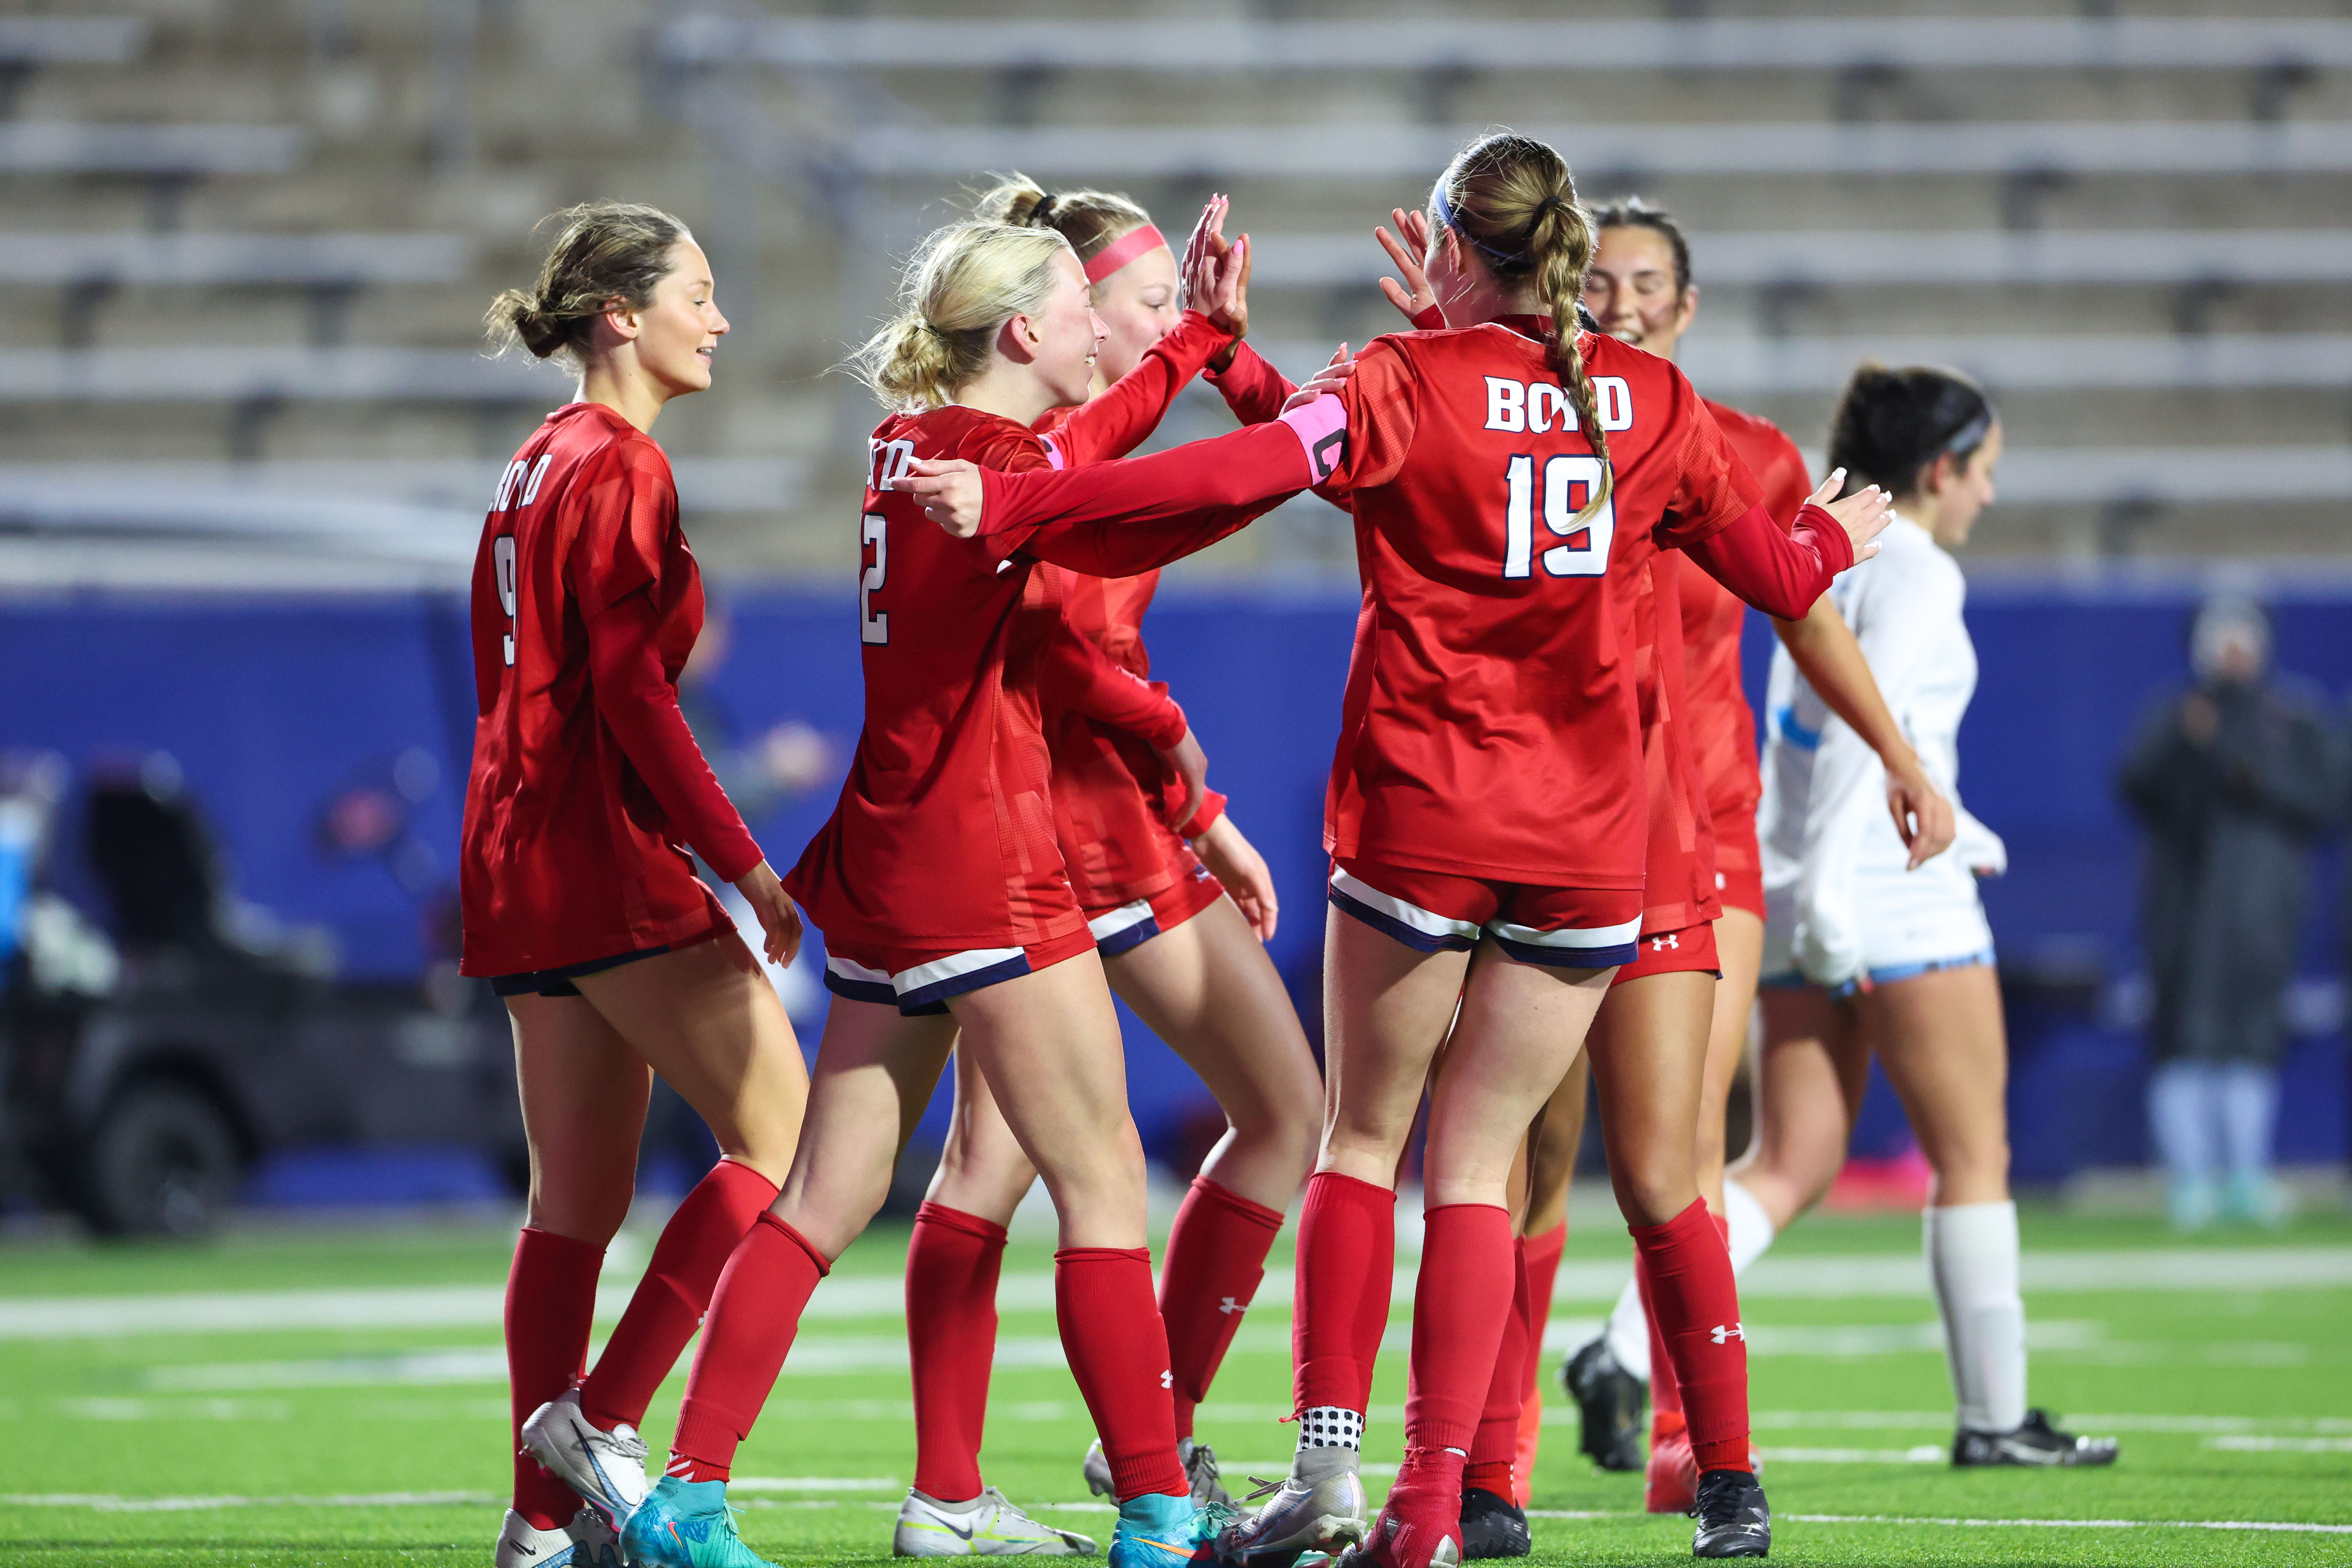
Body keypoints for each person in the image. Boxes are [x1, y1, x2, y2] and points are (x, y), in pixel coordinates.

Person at [898, 130, 1898, 1563]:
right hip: (1591, 847)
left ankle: (1330, 1473)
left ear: (1452, 250)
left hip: (1426, 822)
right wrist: (1843, 537)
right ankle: (1435, 1507)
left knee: (1364, 1146)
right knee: (1483, 1169)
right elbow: (1786, 574)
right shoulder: (1657, 400)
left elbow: (1228, 479)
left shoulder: (1400, 379)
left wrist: (1020, 501)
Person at [594, 214, 1341, 1568]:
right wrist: (1281, 411)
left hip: (885, 859)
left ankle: (688, 1498)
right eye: (1077, 304)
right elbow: (1126, 474)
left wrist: (1202, 359)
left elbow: (1119, 473)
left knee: (824, 1196)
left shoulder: (913, 447)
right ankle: (1161, 1516)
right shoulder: (991, 466)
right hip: (980, 864)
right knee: (1103, 1183)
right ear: (1024, 331)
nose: (1095, 324)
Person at [887, 178, 1326, 1558]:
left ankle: (953, 1489)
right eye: (1139, 302)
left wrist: (1216, 348)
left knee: (988, 1164)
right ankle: (1154, 1448)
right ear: (1059, 312)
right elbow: (1072, 655)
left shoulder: (1060, 436)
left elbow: (1231, 473)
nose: (1148, 323)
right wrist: (1183, 766)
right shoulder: (1042, 448)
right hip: (1076, 820)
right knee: (1271, 1113)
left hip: (1075, 812)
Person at [1530, 199, 1956, 1506]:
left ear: (1687, 304)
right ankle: (1493, 1459)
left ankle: (1684, 1438)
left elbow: (1809, 615)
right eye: (1599, 280)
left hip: (1702, 833)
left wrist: (1899, 754)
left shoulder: (1748, 453)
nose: (1621, 300)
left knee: (1681, 1143)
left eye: (1647, 280)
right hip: (1547, 828)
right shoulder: (1521, 433)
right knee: (1539, 1149)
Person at [461, 201, 809, 1568]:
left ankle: (538, 1532)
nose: (718, 320)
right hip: (598, 855)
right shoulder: (622, 465)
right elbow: (634, 694)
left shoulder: (530, 462)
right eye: (698, 293)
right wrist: (745, 862)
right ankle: (598, 1425)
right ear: (624, 315)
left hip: (515, 858)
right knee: (783, 1145)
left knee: (573, 1206)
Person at [1735, 362, 2120, 1468]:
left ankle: (1619, 1347)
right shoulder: (1915, 567)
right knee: (1973, 1151)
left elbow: (1825, 737)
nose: (1988, 494)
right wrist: (1840, 894)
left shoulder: (1823, 551)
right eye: (1984, 470)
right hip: (1891, 896)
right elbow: (1872, 743)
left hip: (1795, 882)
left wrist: (1822, 885)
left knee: (1787, 1159)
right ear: (1940, 468)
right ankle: (1995, 1417)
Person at [2120, 594, 2339, 1230]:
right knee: (2184, 1040)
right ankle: (2190, 1178)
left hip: (2263, 914)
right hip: (2183, 915)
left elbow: (2327, 799)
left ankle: (2247, 1174)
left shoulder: (2292, 719)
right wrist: (2194, 747)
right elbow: (2137, 786)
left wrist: (2253, 769)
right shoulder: (2178, 716)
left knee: (2252, 1041)